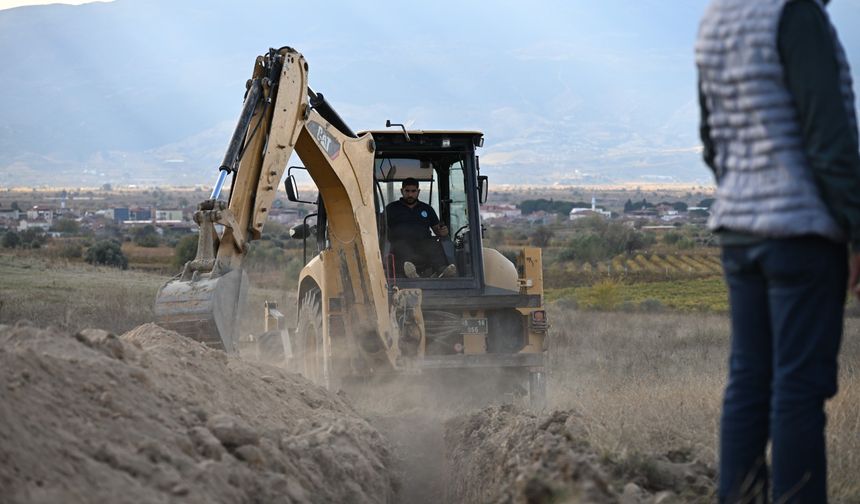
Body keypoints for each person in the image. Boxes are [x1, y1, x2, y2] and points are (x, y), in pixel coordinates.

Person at [696, 0, 860, 502]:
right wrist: (856, 229)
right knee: (799, 389)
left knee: (748, 380)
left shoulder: (716, 18)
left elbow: (711, 139)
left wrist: (745, 193)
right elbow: (829, 138)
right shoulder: (796, 14)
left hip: (739, 231)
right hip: (801, 232)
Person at [385, 178, 456, 278]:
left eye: (413, 191)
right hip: (400, 243)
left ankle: (442, 270)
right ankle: (409, 273)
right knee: (400, 246)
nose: (410, 195)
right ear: (402, 191)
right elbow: (380, 228)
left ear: (418, 191)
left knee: (434, 244)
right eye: (407, 191)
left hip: (423, 244)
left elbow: (437, 230)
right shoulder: (391, 208)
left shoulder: (427, 209)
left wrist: (443, 232)